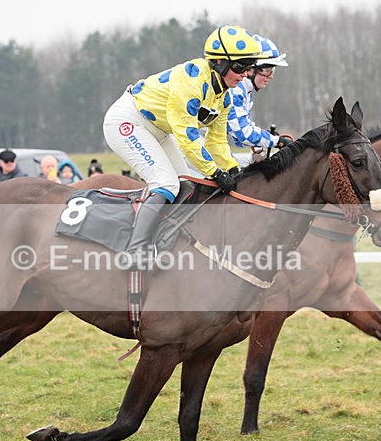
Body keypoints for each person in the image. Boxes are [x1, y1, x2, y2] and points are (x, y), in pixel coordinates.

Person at [103, 25, 267, 268]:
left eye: (248, 68)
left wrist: (233, 170)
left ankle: (167, 239)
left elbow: (217, 141)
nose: (244, 74)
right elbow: (187, 136)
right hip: (129, 122)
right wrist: (215, 173)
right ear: (220, 62)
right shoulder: (191, 82)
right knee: (167, 184)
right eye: (240, 67)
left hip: (160, 130)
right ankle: (135, 250)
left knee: (190, 183)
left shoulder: (225, 95)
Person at [226, 35, 292, 155]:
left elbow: (239, 139)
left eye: (273, 70)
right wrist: (277, 141)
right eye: (267, 70)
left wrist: (265, 137)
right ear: (251, 69)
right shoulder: (235, 91)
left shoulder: (246, 91)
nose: (271, 76)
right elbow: (243, 134)